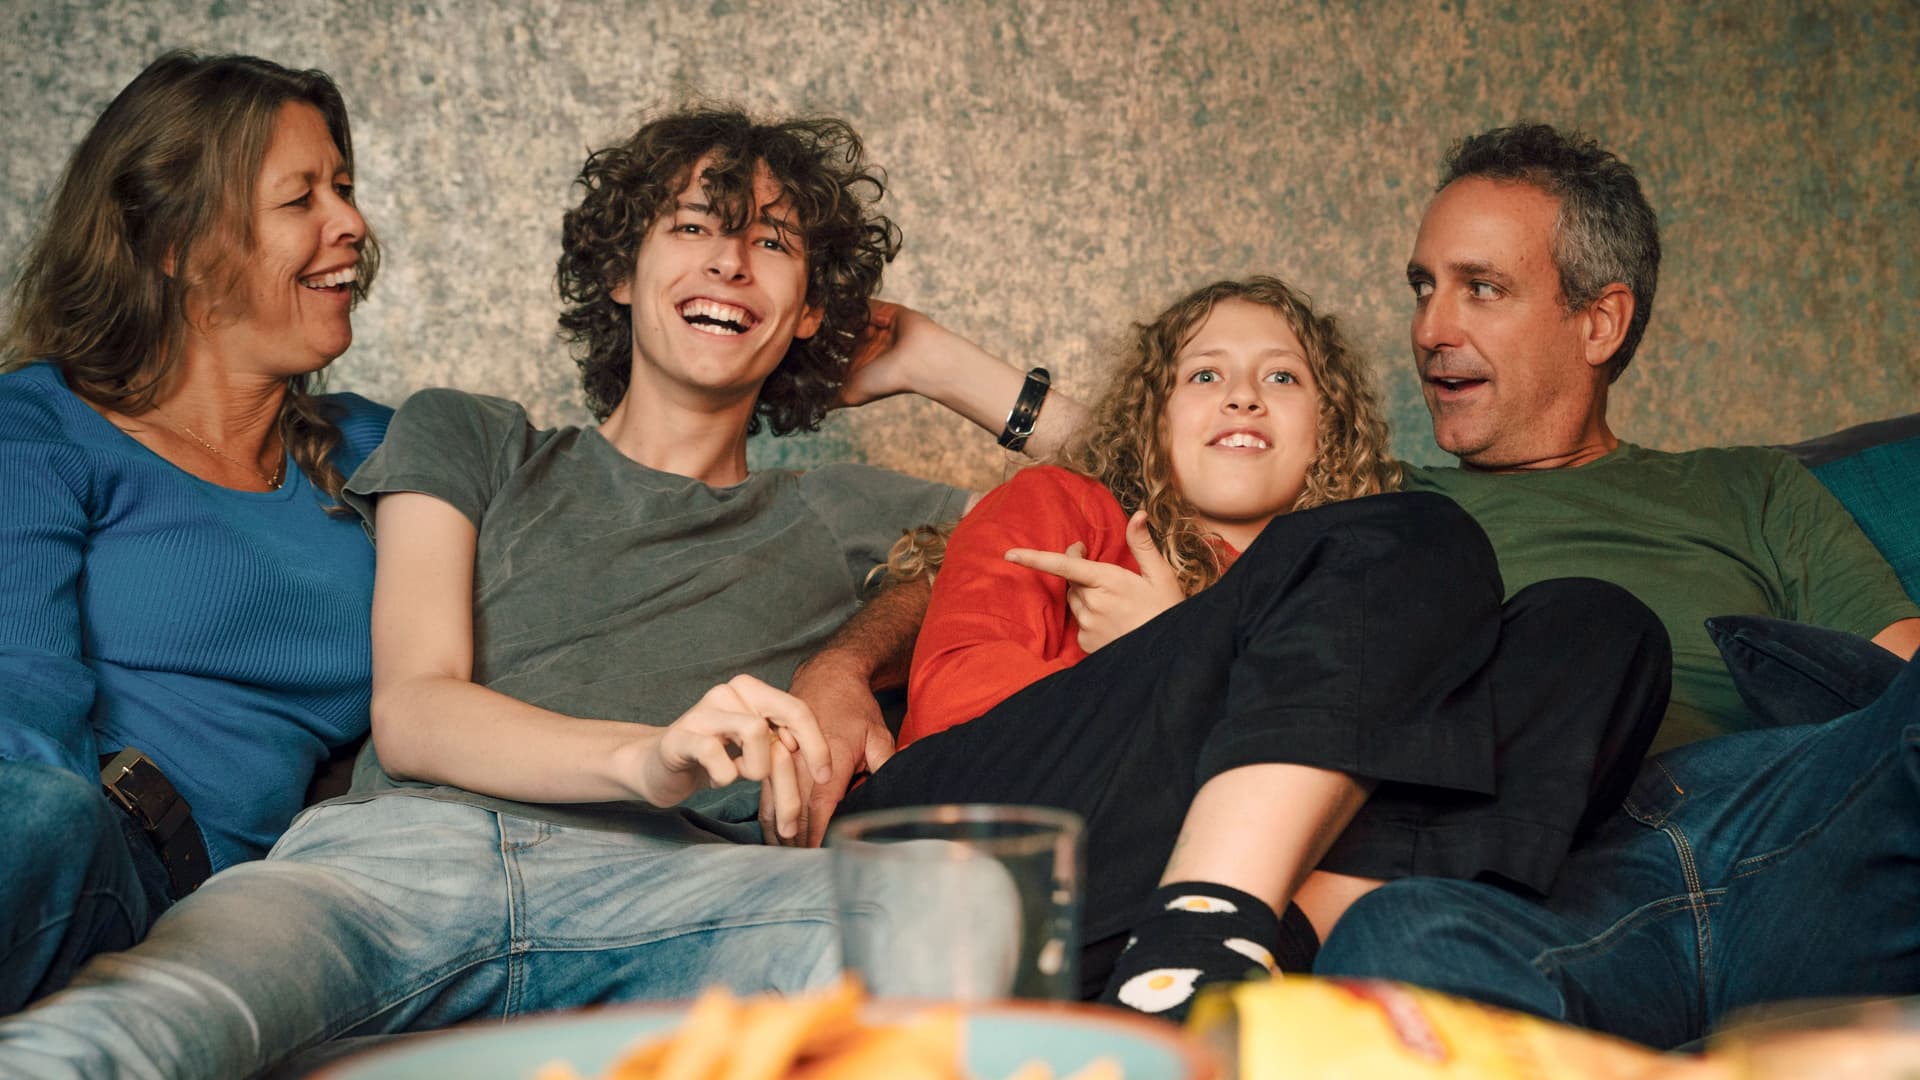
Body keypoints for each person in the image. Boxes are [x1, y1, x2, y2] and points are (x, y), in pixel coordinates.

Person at [0, 107, 1079, 1080]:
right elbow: (415, 710)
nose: (732, 263)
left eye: (774, 244)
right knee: (124, 1034)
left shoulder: (851, 508)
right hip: (389, 866)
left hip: (678, 891)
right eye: (694, 226)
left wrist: (939, 365)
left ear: (811, 312)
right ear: (621, 270)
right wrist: (644, 758)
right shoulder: (469, 434)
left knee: (947, 912)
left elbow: (1181, 504)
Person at [836, 276, 1674, 1020]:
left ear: (1326, 431)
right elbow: (959, 708)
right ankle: (1205, 935)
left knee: (1597, 627)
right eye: (1205, 375)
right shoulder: (1065, 505)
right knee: (1416, 535)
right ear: (1153, 420)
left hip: (1151, 892)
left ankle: (1227, 970)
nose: (1243, 397)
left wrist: (1186, 646)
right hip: (983, 834)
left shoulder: (1374, 594)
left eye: (1282, 377)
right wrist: (1166, 650)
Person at [1311, 123, 1920, 1049]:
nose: (1432, 330)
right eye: (1424, 289)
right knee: (1395, 939)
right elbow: (1158, 449)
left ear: (1599, 321)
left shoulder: (1750, 487)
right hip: (1550, 876)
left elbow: (1896, 698)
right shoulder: (1377, 501)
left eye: (1481, 288)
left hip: (1785, 827)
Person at [0, 51, 390, 1013]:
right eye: (300, 198)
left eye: (343, 187)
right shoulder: (39, 426)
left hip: (187, 897)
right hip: (60, 831)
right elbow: (17, 692)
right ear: (173, 244)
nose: (351, 223)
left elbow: (608, 503)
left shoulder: (383, 454)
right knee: (42, 811)